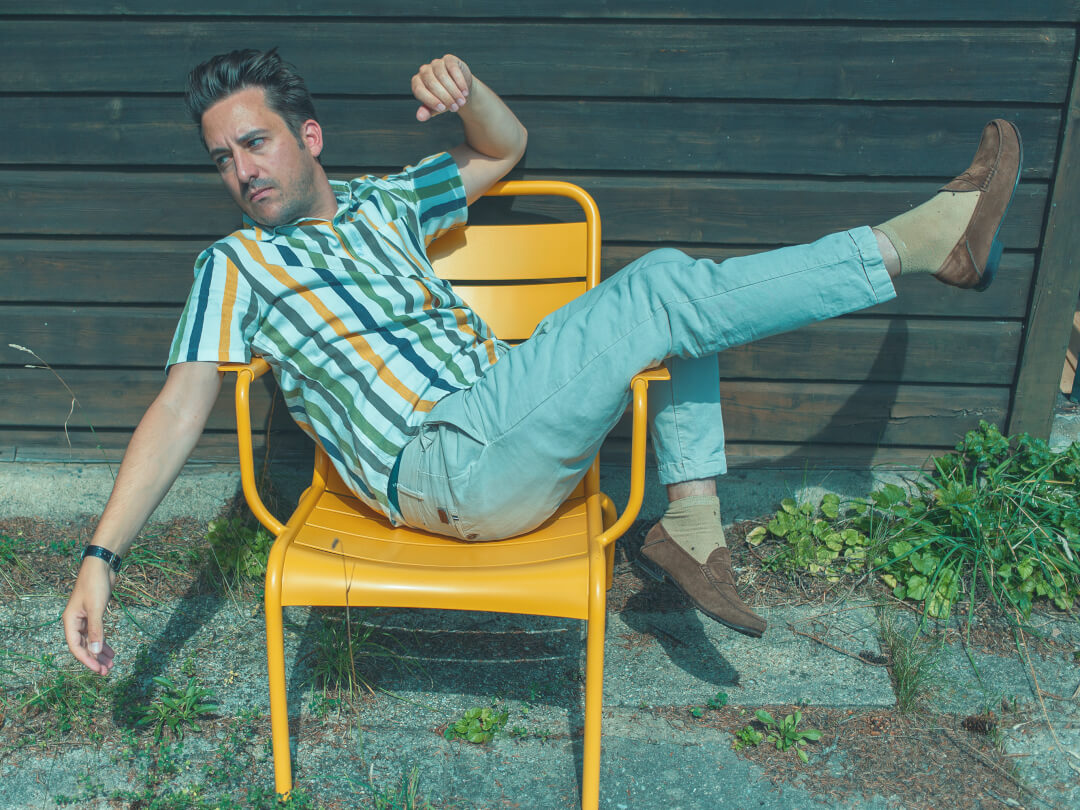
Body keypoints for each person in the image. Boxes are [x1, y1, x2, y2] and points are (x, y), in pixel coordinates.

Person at [63, 49, 1022, 675]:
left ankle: (689, 523)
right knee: (658, 292)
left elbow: (505, 145)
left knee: (672, 299)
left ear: (308, 139)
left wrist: (467, 90)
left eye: (257, 141)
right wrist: (101, 558)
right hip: (443, 462)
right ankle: (917, 243)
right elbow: (181, 406)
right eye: (223, 157)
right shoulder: (236, 265)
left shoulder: (387, 205)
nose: (243, 170)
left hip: (501, 416)